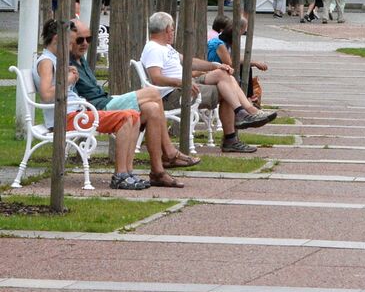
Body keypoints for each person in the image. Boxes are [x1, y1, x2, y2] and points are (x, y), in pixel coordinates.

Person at [69, 19, 197, 185]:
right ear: (69, 40)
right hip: (97, 108)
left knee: (151, 108)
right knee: (153, 93)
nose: (85, 43)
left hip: (104, 101)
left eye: (89, 39)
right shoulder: (67, 62)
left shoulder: (81, 59)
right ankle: (170, 153)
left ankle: (158, 172)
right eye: (80, 40)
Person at [32, 19, 148, 190]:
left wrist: (68, 75)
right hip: (67, 118)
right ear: (57, 39)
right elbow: (47, 94)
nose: (71, 47)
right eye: (70, 42)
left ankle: (127, 172)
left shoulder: (56, 60)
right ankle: (120, 175)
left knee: (134, 114)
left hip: (77, 113)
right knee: (126, 117)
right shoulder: (46, 62)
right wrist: (69, 79)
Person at [141, 11, 275, 154]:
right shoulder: (153, 48)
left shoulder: (165, 47)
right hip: (175, 93)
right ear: (167, 29)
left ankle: (245, 112)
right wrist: (182, 83)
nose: (173, 32)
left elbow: (189, 62)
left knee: (223, 73)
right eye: (172, 29)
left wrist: (215, 65)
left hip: (185, 84)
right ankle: (238, 125)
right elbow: (156, 78)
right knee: (227, 91)